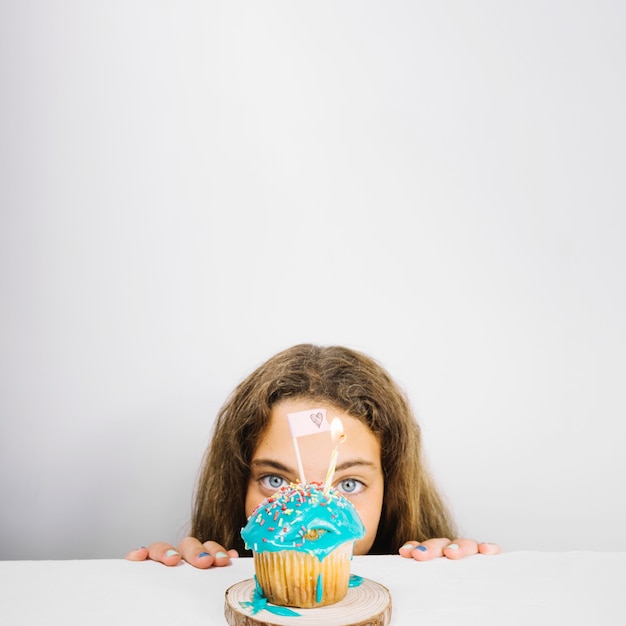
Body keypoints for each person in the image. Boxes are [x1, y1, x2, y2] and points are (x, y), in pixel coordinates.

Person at [126, 343, 501, 568]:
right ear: (235, 487)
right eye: (276, 481)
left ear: (393, 491)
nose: (309, 521)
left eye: (349, 483)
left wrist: (457, 591)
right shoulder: (208, 580)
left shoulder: (431, 581)